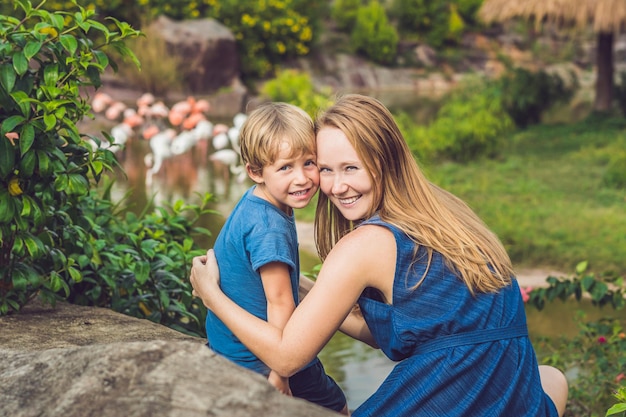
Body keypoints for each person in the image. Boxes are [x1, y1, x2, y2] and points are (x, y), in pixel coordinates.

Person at [191, 94, 569, 416]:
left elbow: (287, 359)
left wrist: (212, 295)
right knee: (551, 377)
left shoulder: (363, 245)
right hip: (510, 393)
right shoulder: (448, 214)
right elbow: (380, 334)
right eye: (325, 169)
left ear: (384, 161)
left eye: (351, 168)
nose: (337, 187)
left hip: (452, 395)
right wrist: (310, 288)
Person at [203, 102, 349, 415]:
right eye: (285, 168)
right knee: (337, 406)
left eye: (309, 163)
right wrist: (280, 373)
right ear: (256, 171)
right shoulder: (269, 228)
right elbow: (280, 302)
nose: (302, 179)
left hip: (229, 344)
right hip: (259, 358)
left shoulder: (261, 201)